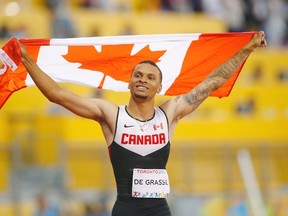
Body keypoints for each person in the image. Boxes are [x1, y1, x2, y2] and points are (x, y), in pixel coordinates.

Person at [19, 31, 267, 216]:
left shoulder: (169, 113)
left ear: (160, 86)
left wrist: (247, 49)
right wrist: (27, 60)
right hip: (126, 209)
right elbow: (59, 95)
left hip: (159, 210)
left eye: (150, 78)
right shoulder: (111, 115)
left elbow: (213, 82)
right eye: (137, 75)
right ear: (128, 82)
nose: (142, 80)